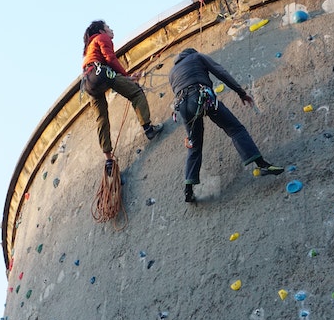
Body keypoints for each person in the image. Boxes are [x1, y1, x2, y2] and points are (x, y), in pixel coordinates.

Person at [169, 47, 283, 203]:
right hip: (202, 96)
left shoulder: (172, 72)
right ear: (192, 53)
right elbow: (220, 72)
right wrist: (240, 92)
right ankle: (262, 164)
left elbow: (179, 91)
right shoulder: (197, 57)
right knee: (235, 129)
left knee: (194, 145)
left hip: (182, 106)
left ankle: (188, 189)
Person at [82, 20, 163, 171]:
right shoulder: (102, 38)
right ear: (101, 31)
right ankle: (148, 128)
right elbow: (110, 59)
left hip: (88, 83)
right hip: (101, 74)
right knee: (136, 92)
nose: (111, 30)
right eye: (108, 28)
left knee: (101, 118)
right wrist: (127, 76)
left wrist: (126, 78)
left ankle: (108, 159)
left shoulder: (88, 51)